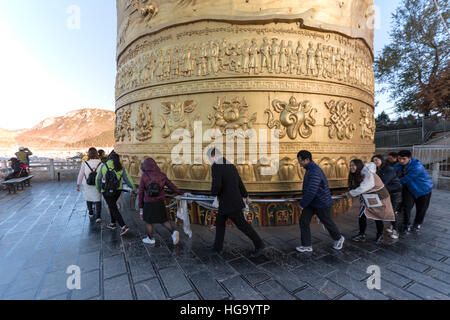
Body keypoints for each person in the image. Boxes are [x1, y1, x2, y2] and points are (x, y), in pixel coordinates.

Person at [208, 148, 265, 257]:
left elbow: (217, 185)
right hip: (233, 200)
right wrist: (245, 195)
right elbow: (239, 182)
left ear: (213, 156)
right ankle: (217, 247)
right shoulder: (230, 165)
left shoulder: (216, 166)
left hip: (228, 202)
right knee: (220, 222)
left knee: (242, 225)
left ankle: (259, 244)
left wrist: (213, 193)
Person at [296, 150, 345, 252]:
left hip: (321, 202)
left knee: (327, 222)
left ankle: (339, 238)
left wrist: (303, 204)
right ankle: (307, 245)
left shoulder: (314, 171)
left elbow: (312, 190)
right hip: (312, 202)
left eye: (300, 160)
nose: (299, 163)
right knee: (304, 221)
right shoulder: (310, 169)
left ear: (307, 160)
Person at [347, 161, 395, 244]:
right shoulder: (358, 175)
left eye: (353, 165)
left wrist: (350, 193)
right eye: (350, 165)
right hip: (368, 197)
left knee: (377, 216)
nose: (351, 167)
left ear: (359, 166)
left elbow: (363, 188)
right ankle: (362, 234)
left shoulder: (368, 174)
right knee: (362, 216)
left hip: (379, 197)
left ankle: (380, 235)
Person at [138, 158, 184, 245]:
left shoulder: (144, 176)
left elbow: (141, 191)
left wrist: (140, 205)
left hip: (148, 202)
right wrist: (180, 193)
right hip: (159, 202)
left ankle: (150, 238)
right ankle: (173, 232)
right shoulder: (162, 175)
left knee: (148, 221)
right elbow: (171, 185)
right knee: (163, 220)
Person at [96, 152, 136, 236]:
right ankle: (113, 223)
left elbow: (98, 179)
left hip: (106, 190)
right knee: (112, 205)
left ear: (109, 158)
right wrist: (133, 186)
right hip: (117, 190)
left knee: (113, 207)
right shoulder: (120, 167)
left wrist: (99, 188)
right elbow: (127, 178)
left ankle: (123, 226)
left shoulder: (103, 166)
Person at [394, 150, 433, 233]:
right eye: (399, 158)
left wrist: (392, 185)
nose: (401, 161)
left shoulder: (417, 166)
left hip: (423, 190)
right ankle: (406, 224)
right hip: (409, 189)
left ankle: (417, 223)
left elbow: (406, 179)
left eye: (403, 159)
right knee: (406, 207)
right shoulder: (397, 165)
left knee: (421, 209)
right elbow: (393, 174)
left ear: (409, 158)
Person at [372, 155, 402, 239]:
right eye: (373, 160)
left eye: (377, 160)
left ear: (381, 160)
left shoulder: (388, 169)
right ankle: (392, 226)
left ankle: (396, 230)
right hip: (385, 192)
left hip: (394, 192)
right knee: (387, 210)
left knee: (392, 211)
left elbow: (383, 182)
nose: (375, 162)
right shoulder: (377, 169)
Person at [77, 148, 103, 223]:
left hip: (87, 184)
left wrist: (78, 184)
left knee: (88, 198)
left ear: (89, 154)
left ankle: (91, 212)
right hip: (97, 185)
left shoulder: (85, 163)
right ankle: (98, 216)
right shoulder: (101, 164)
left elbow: (81, 174)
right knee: (98, 199)